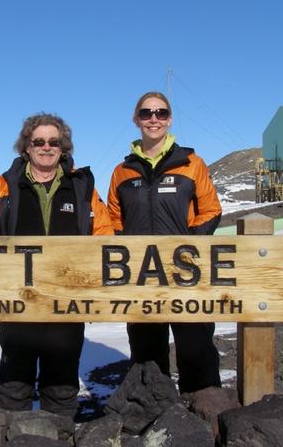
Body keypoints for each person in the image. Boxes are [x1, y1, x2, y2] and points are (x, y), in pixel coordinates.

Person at [0, 112, 113, 417]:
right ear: (26, 146)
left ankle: (59, 437)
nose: (46, 147)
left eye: (54, 141)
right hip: (17, 307)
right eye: (39, 141)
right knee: (13, 387)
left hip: (67, 308)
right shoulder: (3, 187)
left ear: (64, 147)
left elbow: (105, 234)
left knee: (61, 388)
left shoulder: (81, 186)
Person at [107, 91, 223, 394]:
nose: (153, 119)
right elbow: (113, 220)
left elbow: (211, 210)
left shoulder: (191, 164)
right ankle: (151, 417)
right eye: (146, 113)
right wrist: (127, 255)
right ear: (137, 120)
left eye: (160, 113)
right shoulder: (122, 172)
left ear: (169, 119)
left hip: (186, 275)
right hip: (141, 277)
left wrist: (186, 248)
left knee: (196, 349)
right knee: (146, 354)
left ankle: (204, 415)